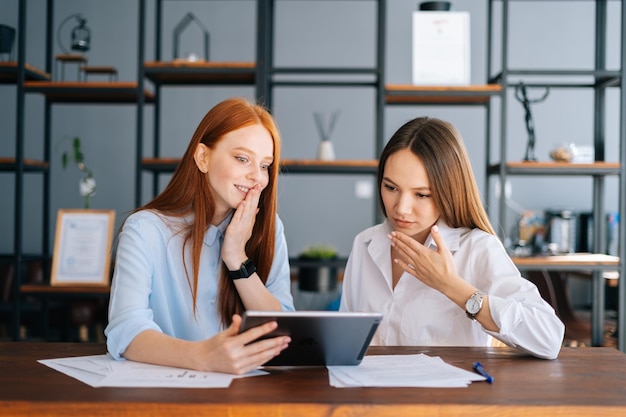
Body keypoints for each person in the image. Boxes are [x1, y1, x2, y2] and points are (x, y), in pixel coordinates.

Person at [339, 116, 564, 360]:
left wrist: (453, 287)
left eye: (422, 194)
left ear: (449, 192)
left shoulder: (477, 249)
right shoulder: (365, 243)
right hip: (371, 393)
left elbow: (549, 338)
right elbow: (344, 338)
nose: (401, 208)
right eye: (391, 188)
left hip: (446, 396)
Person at [105, 97, 294, 374]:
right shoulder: (145, 230)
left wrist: (237, 259)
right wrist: (203, 357)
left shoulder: (270, 228)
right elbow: (126, 331)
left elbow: (283, 330)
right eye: (242, 159)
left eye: (265, 165)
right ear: (203, 157)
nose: (257, 177)